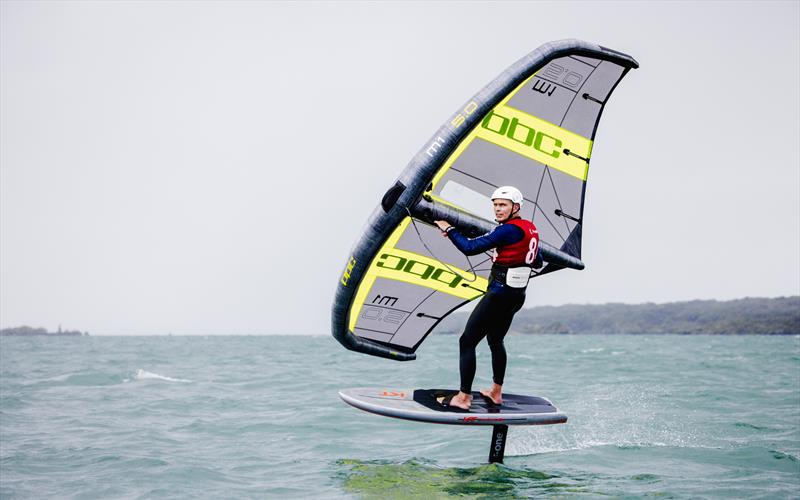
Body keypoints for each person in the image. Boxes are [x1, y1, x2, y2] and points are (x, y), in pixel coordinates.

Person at [433, 186, 540, 410]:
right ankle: (496, 392)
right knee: (495, 340)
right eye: (496, 204)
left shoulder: (508, 230)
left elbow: (469, 248)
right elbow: (537, 261)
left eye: (503, 205)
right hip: (516, 296)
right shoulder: (530, 229)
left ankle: (463, 398)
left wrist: (449, 228)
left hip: (498, 295)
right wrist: (503, 249)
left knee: (467, 341)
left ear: (516, 207)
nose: (498, 209)